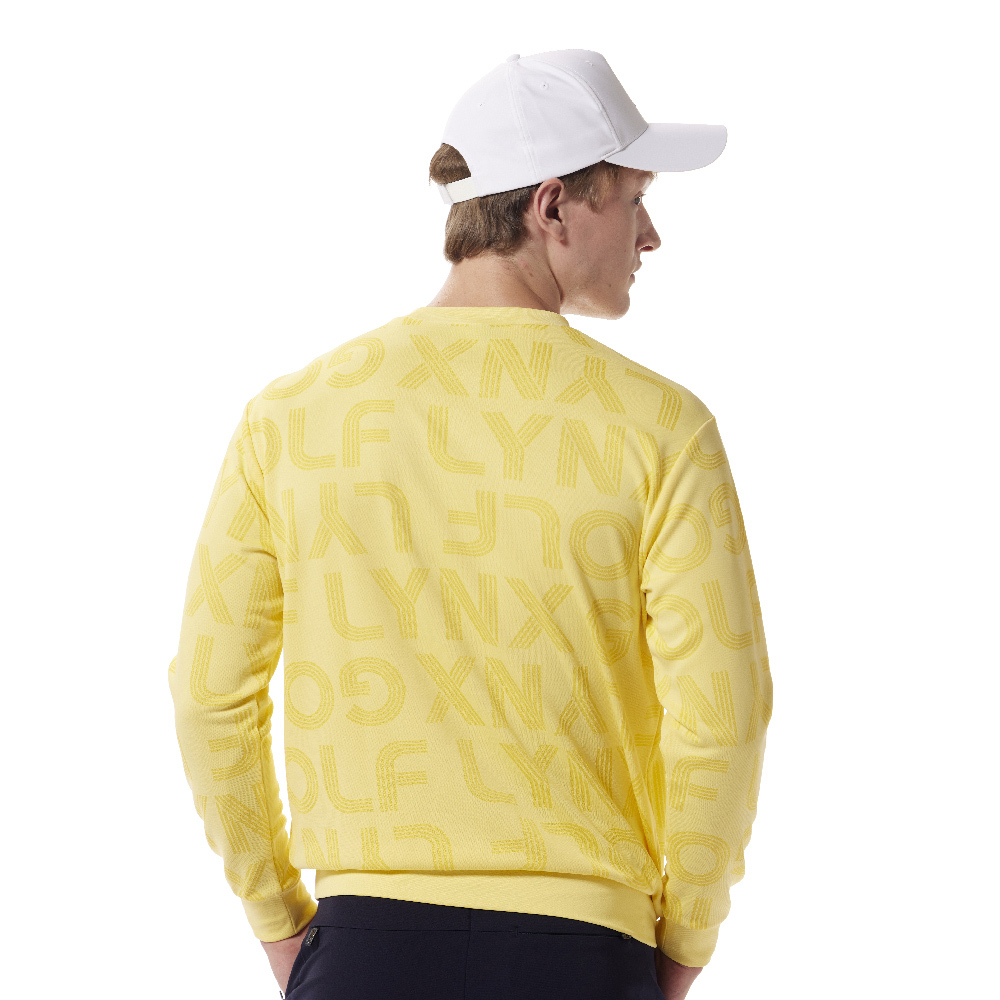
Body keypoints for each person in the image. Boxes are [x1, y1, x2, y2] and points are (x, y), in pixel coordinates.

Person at [168, 48, 773, 1000]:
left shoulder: (292, 418)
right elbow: (723, 718)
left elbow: (210, 697)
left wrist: (283, 922)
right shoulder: (662, 428)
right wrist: (684, 940)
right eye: (634, 198)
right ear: (552, 206)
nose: (651, 235)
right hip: (585, 951)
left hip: (361, 948)